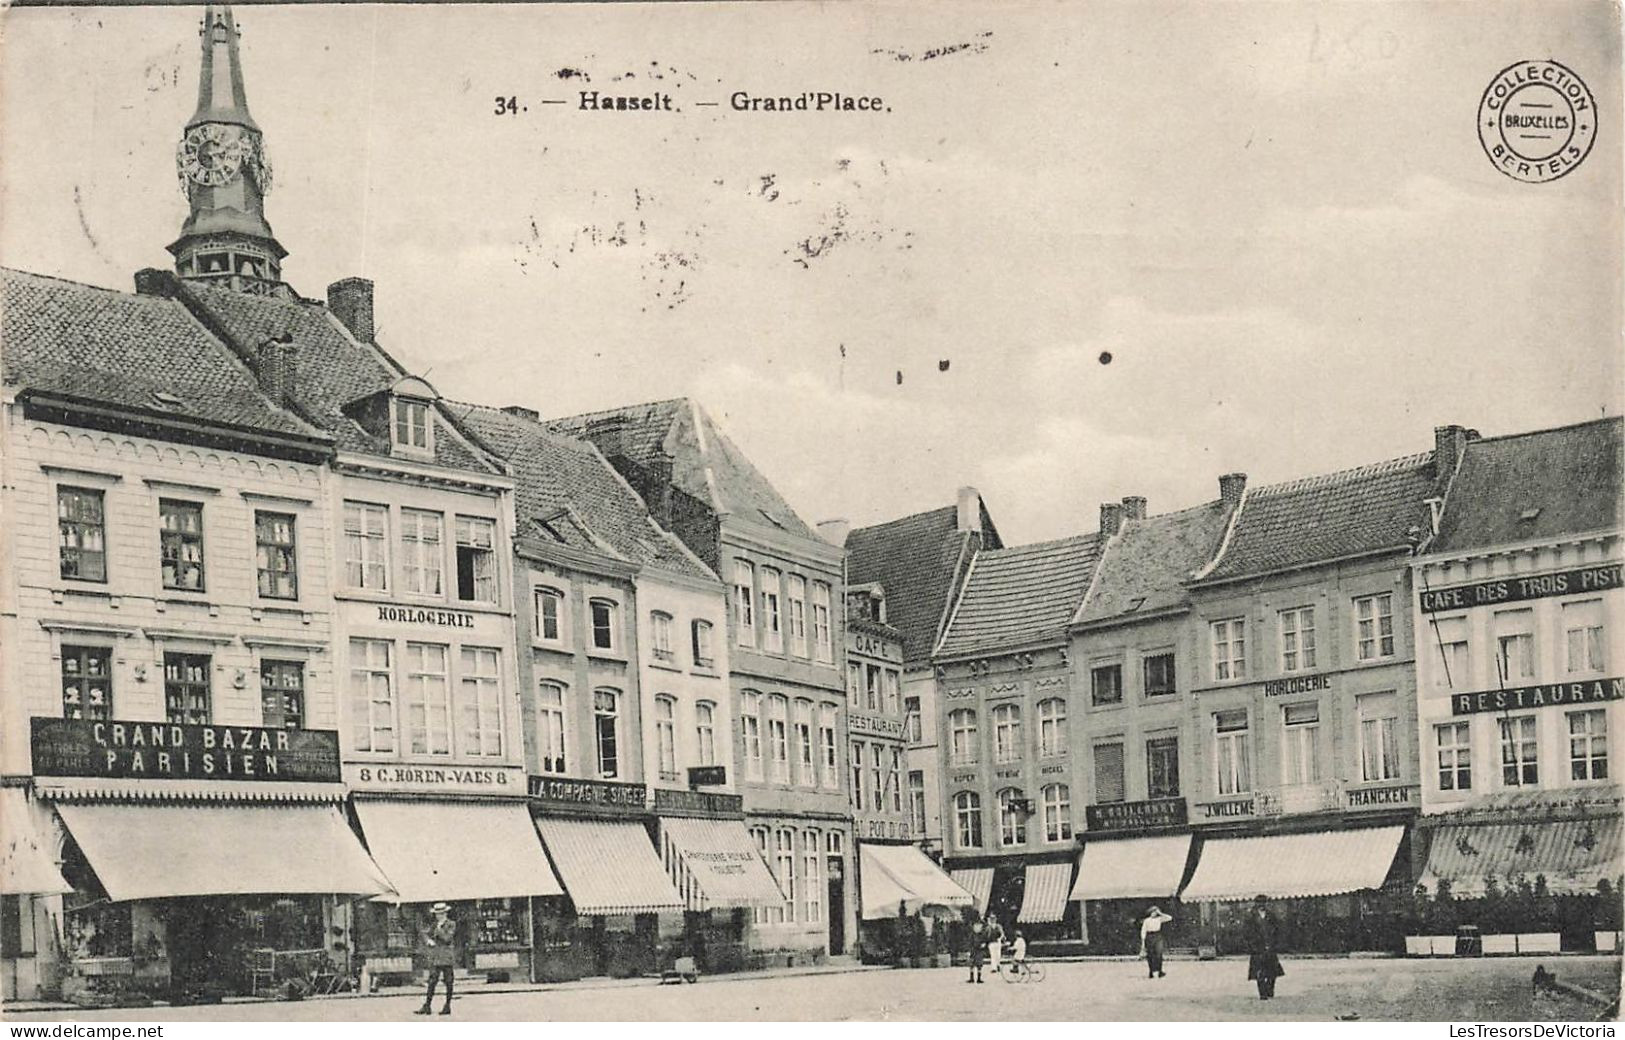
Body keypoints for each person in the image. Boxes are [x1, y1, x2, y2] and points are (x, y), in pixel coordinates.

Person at [415, 902, 460, 1016]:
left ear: (445, 913)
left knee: (448, 981)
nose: (437, 916)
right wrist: (427, 940)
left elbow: (447, 938)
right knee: (432, 981)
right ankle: (427, 1005)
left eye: (440, 914)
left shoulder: (451, 924)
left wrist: (439, 929)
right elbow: (425, 933)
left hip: (446, 957)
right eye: (436, 914)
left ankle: (447, 1005)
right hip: (436, 957)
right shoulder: (434, 925)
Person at [1244, 894, 1284, 1000]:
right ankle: (1262, 993)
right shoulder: (1250, 917)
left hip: (1270, 946)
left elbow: (1277, 930)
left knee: (1273, 971)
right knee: (1259, 972)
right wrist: (1252, 946)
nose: (1262, 905)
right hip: (1257, 948)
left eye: (1264, 903)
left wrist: (1275, 943)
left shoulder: (1271, 916)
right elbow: (1247, 933)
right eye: (1259, 903)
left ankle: (1270, 990)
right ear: (1256, 904)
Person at [1140, 905, 1174, 979]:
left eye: (1155, 912)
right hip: (1149, 936)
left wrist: (1161, 913)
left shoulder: (1159, 919)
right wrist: (1143, 941)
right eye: (1152, 912)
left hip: (1157, 935)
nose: (1154, 913)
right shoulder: (1147, 920)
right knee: (1150, 954)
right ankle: (1151, 971)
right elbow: (1143, 931)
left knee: (1159, 953)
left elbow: (1169, 918)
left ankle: (1159, 971)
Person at [966, 915, 987, 983]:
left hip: (980, 950)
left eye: (979, 926)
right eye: (976, 926)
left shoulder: (982, 934)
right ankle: (971, 978)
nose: (977, 927)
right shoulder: (972, 935)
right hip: (973, 950)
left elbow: (985, 940)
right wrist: (968, 951)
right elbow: (969, 942)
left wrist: (984, 944)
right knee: (971, 964)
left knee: (979, 964)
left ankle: (979, 978)